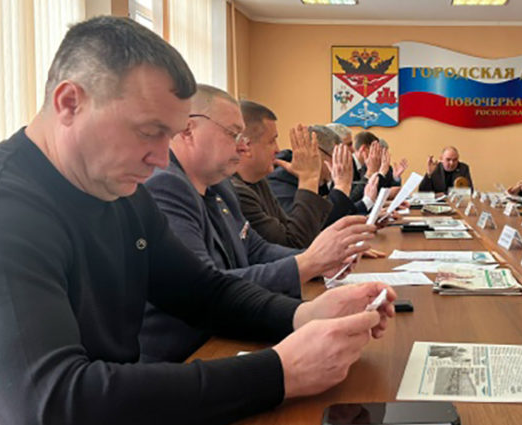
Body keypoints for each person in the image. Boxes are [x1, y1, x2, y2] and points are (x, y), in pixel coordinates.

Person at [0, 16, 395, 424]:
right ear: (70, 103)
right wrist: (280, 372)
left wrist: (304, 314)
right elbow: (49, 401)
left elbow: (203, 292)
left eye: (169, 136)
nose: (162, 158)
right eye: (149, 132)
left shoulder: (119, 190)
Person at [143, 85, 375, 361]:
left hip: (229, 332)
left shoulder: (221, 186)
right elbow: (206, 288)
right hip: (188, 353)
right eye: (233, 134)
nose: (243, 146)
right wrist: (307, 263)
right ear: (188, 129)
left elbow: (256, 249)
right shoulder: (165, 186)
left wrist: (322, 260)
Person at [232, 101, 332, 248]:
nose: (278, 150)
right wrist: (308, 179)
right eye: (272, 141)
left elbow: (289, 230)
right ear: (246, 146)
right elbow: (293, 244)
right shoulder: (238, 193)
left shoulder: (259, 182)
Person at [268, 125, 379, 224]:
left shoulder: (321, 181)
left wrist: (367, 217)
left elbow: (341, 215)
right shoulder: (280, 180)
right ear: (315, 153)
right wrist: (341, 187)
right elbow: (315, 225)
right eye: (336, 158)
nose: (339, 164)